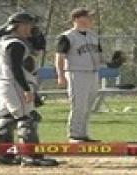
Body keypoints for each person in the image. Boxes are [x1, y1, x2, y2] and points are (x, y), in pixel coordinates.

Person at [0, 12, 58, 166]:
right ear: (19, 26)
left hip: (6, 83)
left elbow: (37, 47)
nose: (31, 28)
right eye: (28, 24)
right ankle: (31, 157)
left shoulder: (10, 40)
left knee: (7, 118)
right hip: (14, 83)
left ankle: (4, 155)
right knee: (27, 119)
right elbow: (15, 68)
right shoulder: (15, 43)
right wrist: (26, 89)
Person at [55, 8, 104, 142]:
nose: (90, 20)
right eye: (87, 17)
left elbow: (99, 57)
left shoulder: (93, 36)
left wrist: (114, 62)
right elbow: (59, 57)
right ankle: (74, 134)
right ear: (77, 19)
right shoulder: (67, 36)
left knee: (88, 105)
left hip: (93, 73)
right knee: (78, 105)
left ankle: (83, 134)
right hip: (76, 73)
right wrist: (60, 75)